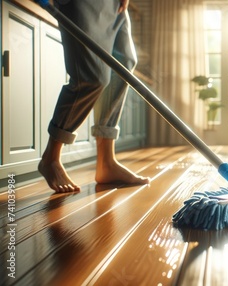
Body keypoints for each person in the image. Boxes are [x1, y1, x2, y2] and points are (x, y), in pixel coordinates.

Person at [38, 0, 150, 193]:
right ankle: (51, 157)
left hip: (114, 4)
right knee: (92, 77)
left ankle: (106, 162)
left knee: (123, 63)